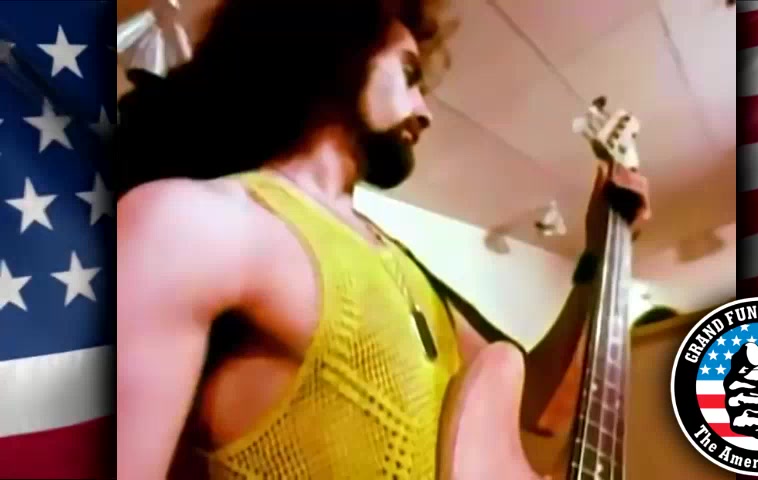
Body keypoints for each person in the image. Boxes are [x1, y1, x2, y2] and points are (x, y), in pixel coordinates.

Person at [116, 0, 651, 479]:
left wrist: (600, 254)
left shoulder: (406, 269)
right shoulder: (195, 220)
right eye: (409, 74)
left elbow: (544, 408)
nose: (425, 111)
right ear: (336, 48)